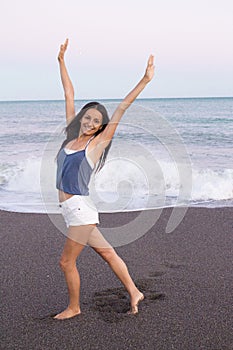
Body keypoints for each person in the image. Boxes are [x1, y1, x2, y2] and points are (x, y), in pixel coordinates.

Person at [54, 38, 154, 320]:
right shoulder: (72, 138)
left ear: (100, 127)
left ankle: (74, 307)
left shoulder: (94, 146)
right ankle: (134, 291)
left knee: (66, 262)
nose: (89, 122)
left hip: (79, 211)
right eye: (87, 117)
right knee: (108, 254)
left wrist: (145, 79)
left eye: (96, 121)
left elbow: (122, 108)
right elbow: (69, 94)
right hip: (73, 210)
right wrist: (61, 61)